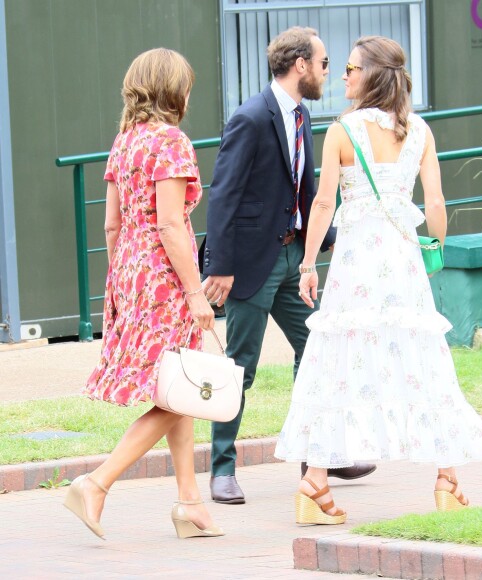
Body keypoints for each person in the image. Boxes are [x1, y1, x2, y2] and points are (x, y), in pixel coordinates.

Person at [274, 36, 482, 524]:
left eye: (351, 68)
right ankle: (447, 479)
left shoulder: (341, 132)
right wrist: (435, 243)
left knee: (338, 362)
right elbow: (436, 207)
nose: (343, 75)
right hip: (402, 268)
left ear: (371, 75)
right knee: (424, 363)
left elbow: (323, 203)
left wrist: (309, 263)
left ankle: (315, 483)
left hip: (355, 269)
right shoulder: (420, 131)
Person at [202, 27, 376, 505]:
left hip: (292, 258)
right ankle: (221, 470)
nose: (327, 71)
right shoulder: (250, 118)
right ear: (300, 64)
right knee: (241, 369)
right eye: (323, 63)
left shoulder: (301, 115)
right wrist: (220, 264)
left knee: (319, 352)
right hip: (250, 266)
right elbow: (224, 196)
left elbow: (305, 192)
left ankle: (318, 459)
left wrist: (326, 242)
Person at [63, 48, 223, 540]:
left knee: (176, 384)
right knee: (179, 391)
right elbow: (172, 223)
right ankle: (97, 482)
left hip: (131, 272)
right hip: (164, 277)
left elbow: (112, 225)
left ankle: (191, 503)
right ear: (175, 89)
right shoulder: (171, 141)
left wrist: (124, 279)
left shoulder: (124, 141)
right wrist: (195, 292)